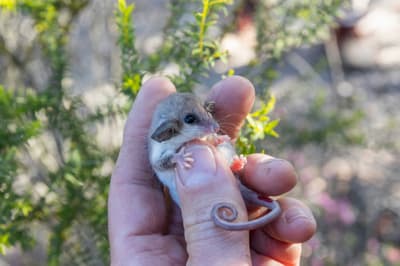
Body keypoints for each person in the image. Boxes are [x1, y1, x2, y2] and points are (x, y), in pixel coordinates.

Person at [108, 76, 316, 265]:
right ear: (170, 129)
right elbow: (159, 163)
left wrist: (216, 144)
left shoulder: (188, 131)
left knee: (248, 187)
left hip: (221, 198)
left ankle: (246, 188)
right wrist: (177, 158)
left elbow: (206, 139)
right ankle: (248, 195)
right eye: (192, 120)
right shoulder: (162, 141)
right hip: (185, 198)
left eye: (205, 113)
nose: (212, 124)